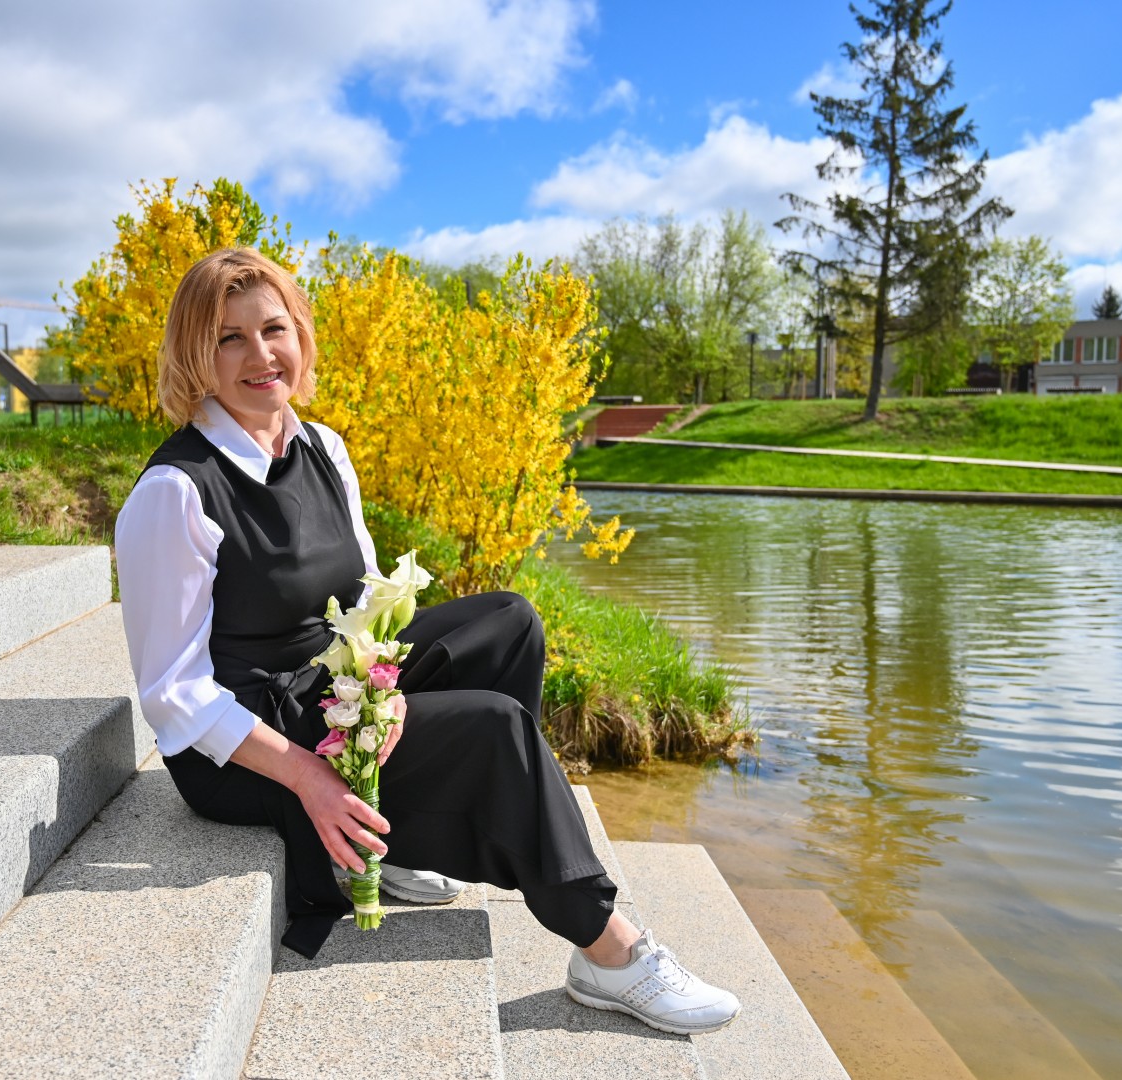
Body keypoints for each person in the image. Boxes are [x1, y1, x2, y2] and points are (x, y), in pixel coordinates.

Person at [113, 247, 741, 1037]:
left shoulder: (321, 447)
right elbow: (173, 695)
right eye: (228, 338)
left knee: (507, 622)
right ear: (194, 356)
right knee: (493, 727)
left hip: (330, 684)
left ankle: (405, 826)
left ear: (300, 335)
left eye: (273, 329)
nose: (259, 355)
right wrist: (309, 775)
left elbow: (365, 596)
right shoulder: (175, 491)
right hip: (247, 745)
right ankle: (607, 950)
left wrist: (382, 686)